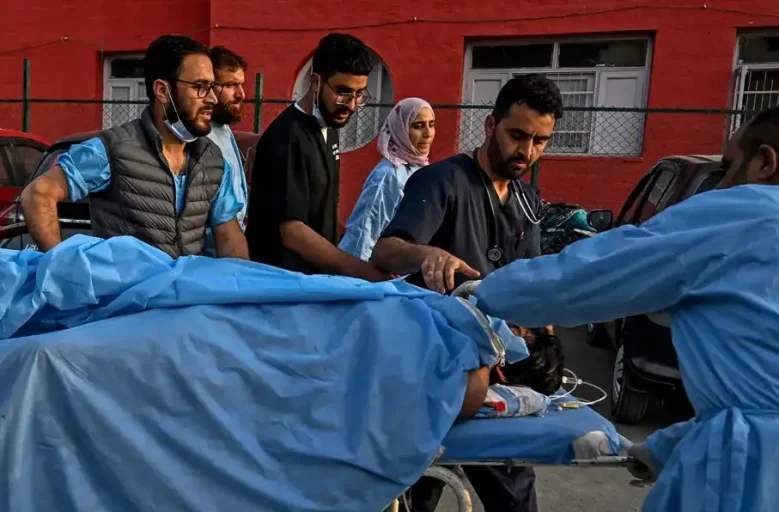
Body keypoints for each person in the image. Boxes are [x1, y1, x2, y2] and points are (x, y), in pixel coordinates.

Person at [460, 107, 779, 512]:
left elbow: (589, 275)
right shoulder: (449, 182)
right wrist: (669, 445)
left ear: (764, 162)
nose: (722, 185)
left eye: (728, 168)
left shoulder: (741, 214)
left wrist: (488, 293)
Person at [372, 74, 564, 512]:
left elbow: (531, 283)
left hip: (499, 384)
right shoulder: (442, 182)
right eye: (517, 135)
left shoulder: (527, 200)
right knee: (417, 492)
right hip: (439, 378)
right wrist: (427, 254)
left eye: (540, 141)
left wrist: (544, 337)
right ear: (491, 124)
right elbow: (386, 250)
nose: (527, 151)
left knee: (515, 495)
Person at [20, 35, 248, 260]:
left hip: (186, 285)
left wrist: (239, 279)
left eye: (212, 87)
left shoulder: (213, 160)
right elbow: (37, 194)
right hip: (124, 285)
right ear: (162, 91)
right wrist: (63, 266)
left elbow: (229, 235)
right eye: (200, 87)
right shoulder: (113, 149)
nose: (212, 99)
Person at [245, 33, 388, 281]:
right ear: (315, 82)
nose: (351, 105)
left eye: (359, 94)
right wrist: (363, 272)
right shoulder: (288, 137)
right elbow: (293, 231)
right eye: (343, 92)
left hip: (314, 279)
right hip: (282, 282)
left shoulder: (329, 127)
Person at [339, 97, 436, 261]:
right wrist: (357, 272)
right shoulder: (388, 176)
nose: (428, 134)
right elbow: (365, 231)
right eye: (418, 126)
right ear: (401, 129)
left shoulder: (420, 168)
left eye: (431, 125)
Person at [203, 45, 250, 256]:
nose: (241, 94)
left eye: (241, 84)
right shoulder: (198, 136)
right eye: (230, 85)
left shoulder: (223, 127)